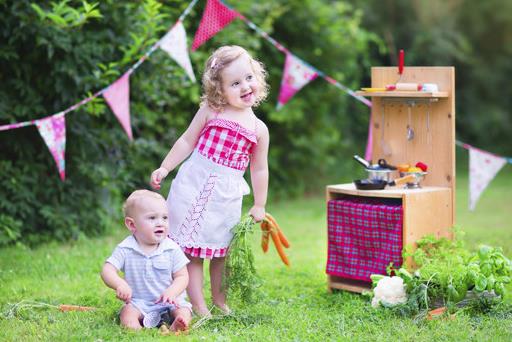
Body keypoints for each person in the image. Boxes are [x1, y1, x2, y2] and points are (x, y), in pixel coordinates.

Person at [149, 45, 270, 316]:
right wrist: (165, 167)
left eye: (249, 78)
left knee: (220, 253)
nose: (245, 86)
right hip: (193, 186)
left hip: (225, 197)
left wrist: (259, 203)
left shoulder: (258, 129)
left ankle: (220, 301)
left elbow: (259, 168)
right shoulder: (211, 110)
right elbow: (186, 140)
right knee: (191, 251)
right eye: (235, 83)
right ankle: (198, 304)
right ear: (220, 90)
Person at [100, 190, 192, 331]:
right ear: (132, 225)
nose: (160, 223)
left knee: (183, 310)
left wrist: (172, 292)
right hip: (139, 303)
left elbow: (182, 276)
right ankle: (135, 329)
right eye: (152, 218)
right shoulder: (126, 248)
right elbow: (107, 269)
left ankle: (177, 325)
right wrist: (119, 284)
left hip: (169, 301)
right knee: (127, 313)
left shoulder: (171, 248)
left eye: (165, 218)